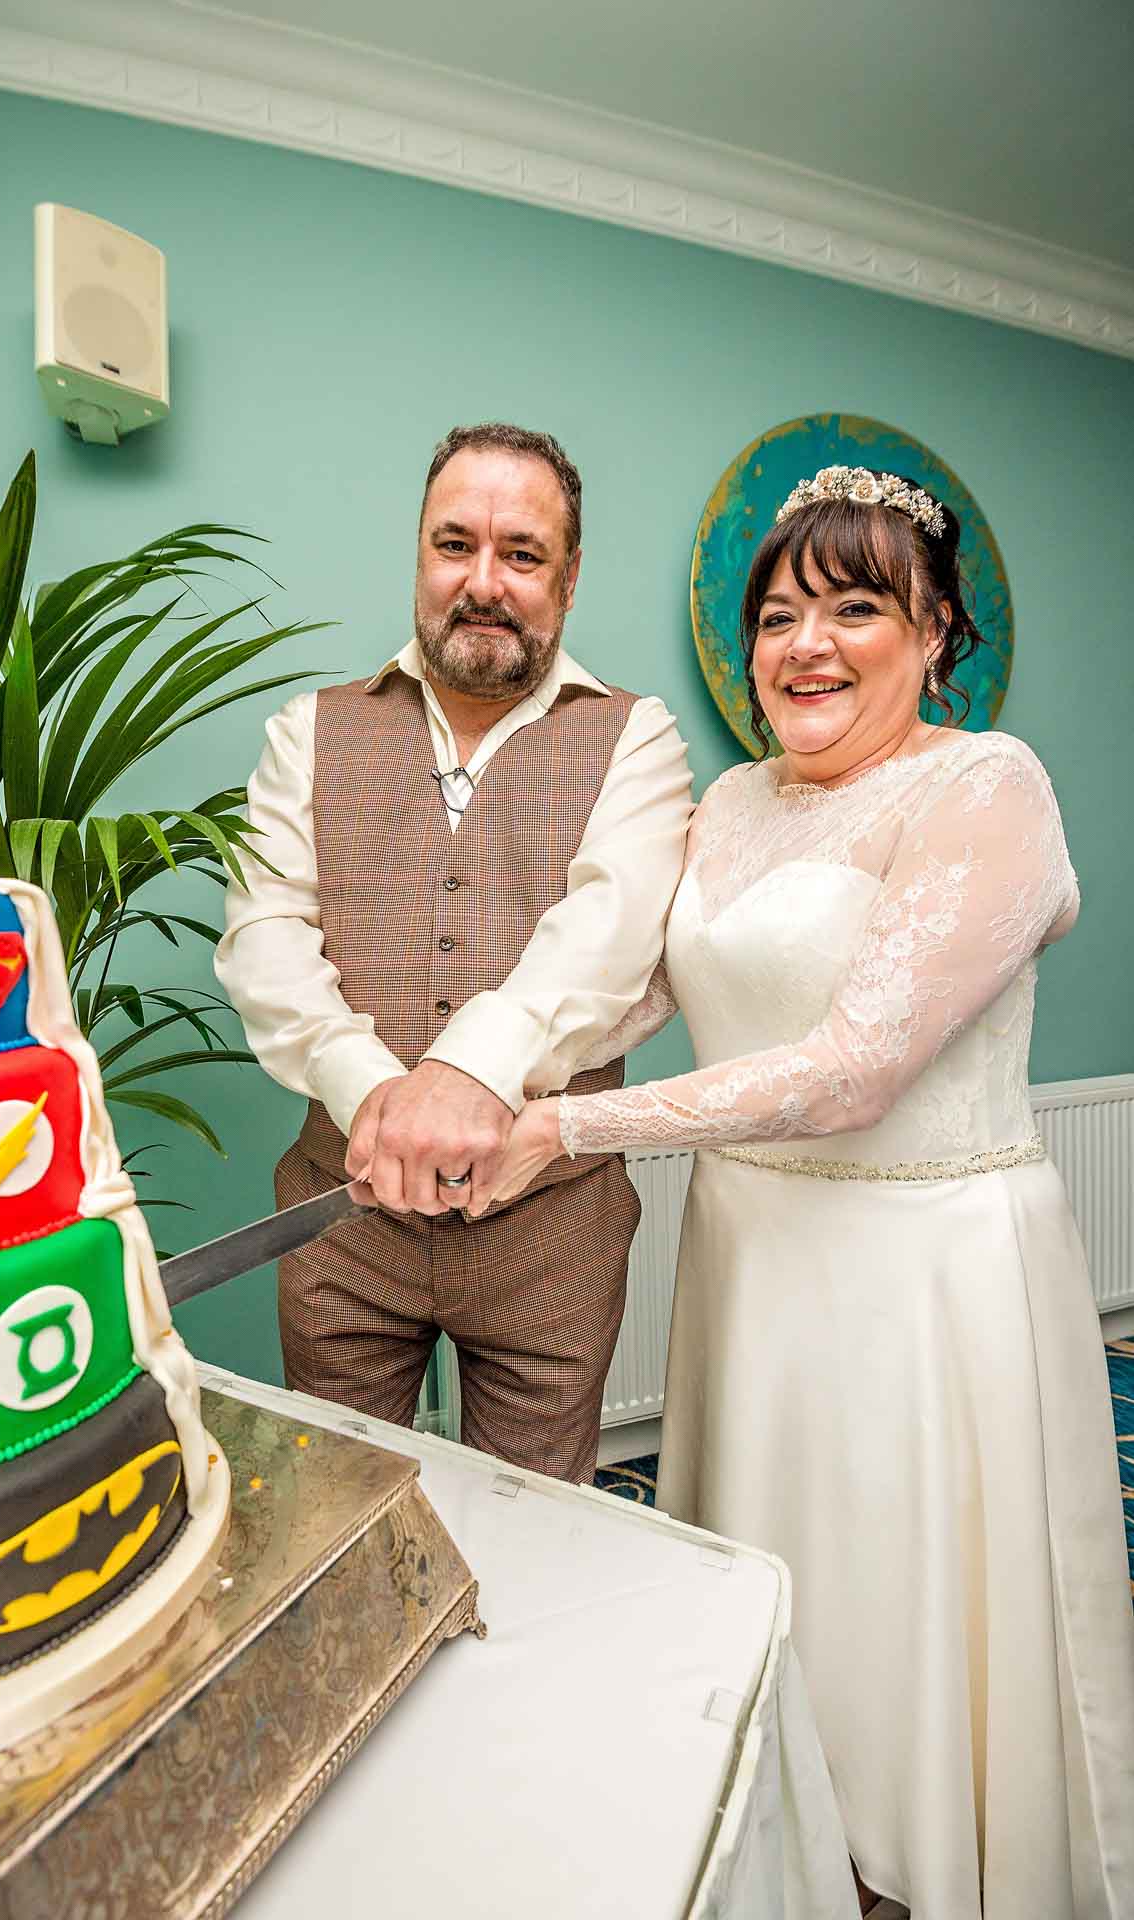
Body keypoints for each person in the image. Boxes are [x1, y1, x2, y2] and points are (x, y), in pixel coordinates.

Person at [485, 466, 1134, 1918]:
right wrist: (478, 1081)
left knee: (917, 1612)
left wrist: (561, 1137)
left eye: (855, 608)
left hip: (920, 1276)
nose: (806, 645)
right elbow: (641, 989)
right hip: (754, 1258)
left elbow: (851, 1071)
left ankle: (936, 1862)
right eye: (779, 614)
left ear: (933, 632)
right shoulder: (726, 799)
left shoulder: (985, 786)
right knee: (778, 1584)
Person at [216, 423, 692, 1482]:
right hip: (342, 1223)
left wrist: (467, 1071)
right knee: (338, 1517)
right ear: (419, 558)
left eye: (521, 554)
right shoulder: (309, 729)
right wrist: (378, 1097)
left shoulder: (639, 735)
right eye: (454, 545)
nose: (485, 581)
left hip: (551, 1240)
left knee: (537, 1537)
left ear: (567, 581)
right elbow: (265, 938)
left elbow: (611, 935)